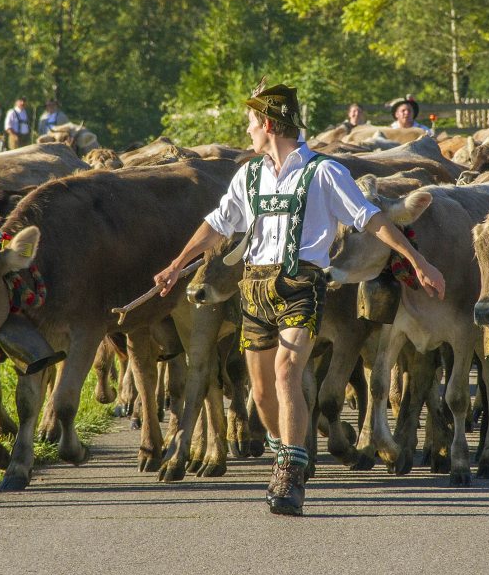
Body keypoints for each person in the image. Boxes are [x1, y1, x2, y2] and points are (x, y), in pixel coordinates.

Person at [153, 81, 445, 516]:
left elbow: (370, 218)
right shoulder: (248, 175)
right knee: (261, 388)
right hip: (253, 287)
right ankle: (283, 449)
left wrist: (418, 260)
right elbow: (218, 224)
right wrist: (178, 263)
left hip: (300, 285)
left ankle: (290, 474)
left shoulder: (324, 173)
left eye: (251, 122)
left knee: (287, 372)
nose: (247, 130)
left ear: (269, 124)